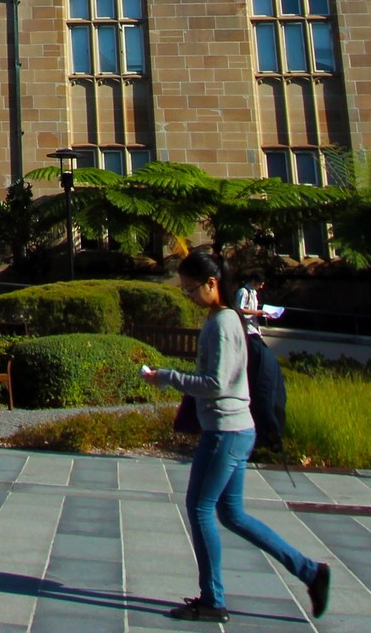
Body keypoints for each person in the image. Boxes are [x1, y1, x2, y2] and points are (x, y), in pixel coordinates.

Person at [139, 251, 332, 623]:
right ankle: (310, 571)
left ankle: (213, 599)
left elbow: (215, 384)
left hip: (226, 431)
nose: (189, 296)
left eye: (191, 290)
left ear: (212, 284)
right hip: (233, 429)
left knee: (199, 509)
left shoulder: (225, 322)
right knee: (232, 514)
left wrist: (165, 376)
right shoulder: (221, 318)